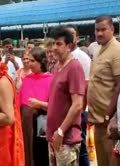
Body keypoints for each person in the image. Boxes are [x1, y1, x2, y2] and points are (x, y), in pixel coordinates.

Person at [87, 16, 120, 166]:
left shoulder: (118, 52)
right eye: (97, 30)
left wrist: (108, 116)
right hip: (97, 121)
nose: (99, 33)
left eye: (103, 29)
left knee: (112, 161)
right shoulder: (98, 50)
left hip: (109, 123)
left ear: (112, 29)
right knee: (101, 161)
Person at [47, 26, 86, 166]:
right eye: (53, 43)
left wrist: (61, 131)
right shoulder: (57, 66)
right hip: (53, 136)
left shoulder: (74, 67)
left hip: (66, 138)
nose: (54, 47)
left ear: (69, 46)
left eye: (59, 44)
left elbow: (77, 104)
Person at [19, 47, 52, 166]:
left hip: (42, 127)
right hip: (26, 127)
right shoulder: (27, 79)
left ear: (41, 62)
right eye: (28, 60)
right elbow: (19, 103)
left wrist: (39, 104)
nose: (29, 63)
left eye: (33, 61)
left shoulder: (51, 80)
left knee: (41, 157)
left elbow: (55, 107)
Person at [66, 25, 91, 166]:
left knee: (81, 148)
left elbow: (86, 86)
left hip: (79, 110)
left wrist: (81, 111)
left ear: (77, 37)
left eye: (72, 34)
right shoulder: (64, 57)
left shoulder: (82, 58)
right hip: (69, 111)